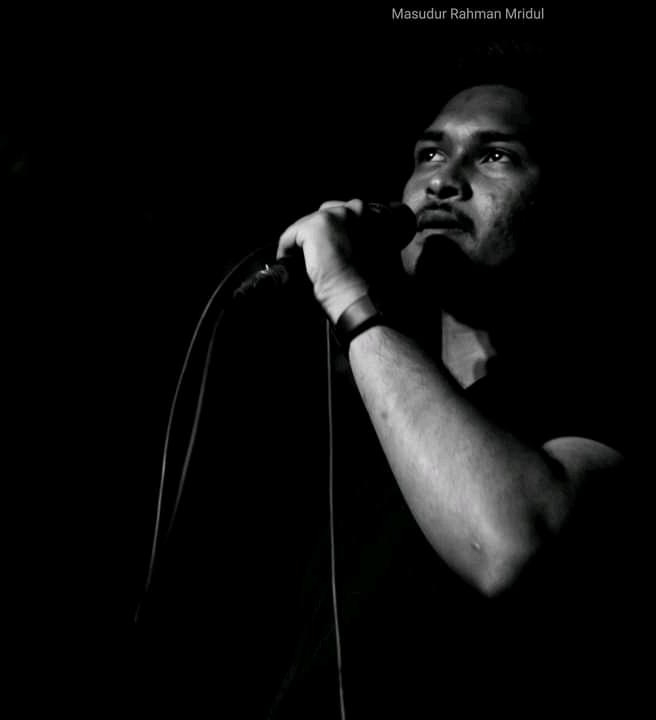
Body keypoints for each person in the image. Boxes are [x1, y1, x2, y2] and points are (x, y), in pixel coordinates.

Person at [262, 75, 636, 718]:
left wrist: (350, 300)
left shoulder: (603, 382)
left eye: (495, 155)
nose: (442, 180)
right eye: (430, 154)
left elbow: (506, 546)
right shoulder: (357, 415)